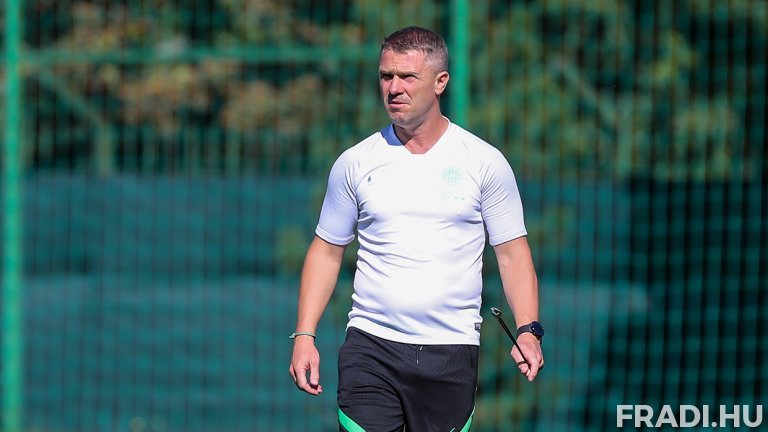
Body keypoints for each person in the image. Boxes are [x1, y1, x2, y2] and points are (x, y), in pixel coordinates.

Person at [289, 26, 543, 432]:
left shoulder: (484, 162)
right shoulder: (356, 162)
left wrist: (528, 329)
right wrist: (305, 335)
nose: (394, 88)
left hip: (452, 352)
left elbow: (512, 254)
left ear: (440, 82)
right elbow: (326, 251)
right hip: (370, 347)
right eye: (386, 76)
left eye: (408, 77)